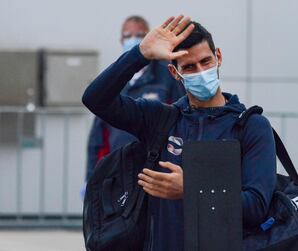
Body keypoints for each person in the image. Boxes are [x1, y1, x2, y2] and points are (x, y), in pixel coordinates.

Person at [82, 15, 276, 251]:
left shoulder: (251, 126)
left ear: (219, 58)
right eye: (190, 67)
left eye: (206, 61)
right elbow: (95, 99)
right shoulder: (161, 119)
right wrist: (140, 54)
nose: (201, 71)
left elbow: (256, 206)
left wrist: (191, 190)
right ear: (175, 73)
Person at [85, 15, 185, 181]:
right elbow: (98, 135)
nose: (133, 39)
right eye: (127, 36)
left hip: (156, 169)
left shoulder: (167, 76)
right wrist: (92, 176)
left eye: (139, 35)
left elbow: (180, 124)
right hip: (118, 170)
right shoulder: (113, 79)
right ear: (120, 39)